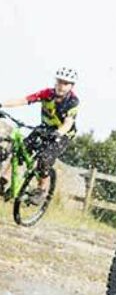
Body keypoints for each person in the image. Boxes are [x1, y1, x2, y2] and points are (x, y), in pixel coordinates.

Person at [0, 67, 80, 203]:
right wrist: (2, 104)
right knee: (19, 150)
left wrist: (58, 132)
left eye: (65, 83)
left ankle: (40, 190)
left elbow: (68, 123)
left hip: (63, 134)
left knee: (44, 159)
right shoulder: (47, 94)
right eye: (59, 82)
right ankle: (4, 180)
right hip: (44, 128)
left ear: (71, 86)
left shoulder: (73, 101)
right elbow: (23, 100)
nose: (61, 86)